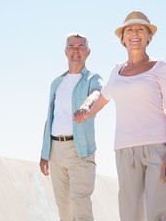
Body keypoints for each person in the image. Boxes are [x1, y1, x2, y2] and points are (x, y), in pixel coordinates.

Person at [75, 11, 166, 221]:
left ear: (149, 36)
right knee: (130, 214)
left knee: (159, 213)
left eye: (140, 29)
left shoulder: (162, 68)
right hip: (125, 151)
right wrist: (86, 112)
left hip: (159, 150)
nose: (135, 33)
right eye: (129, 30)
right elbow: (102, 99)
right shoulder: (116, 72)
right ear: (122, 38)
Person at [39, 32, 103, 221]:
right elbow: (50, 117)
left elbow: (97, 93)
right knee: (64, 207)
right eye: (71, 47)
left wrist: (86, 105)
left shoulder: (92, 78)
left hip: (79, 149)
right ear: (65, 52)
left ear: (88, 52)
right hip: (55, 151)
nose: (76, 51)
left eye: (81, 46)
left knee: (80, 204)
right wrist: (44, 153)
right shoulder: (57, 83)